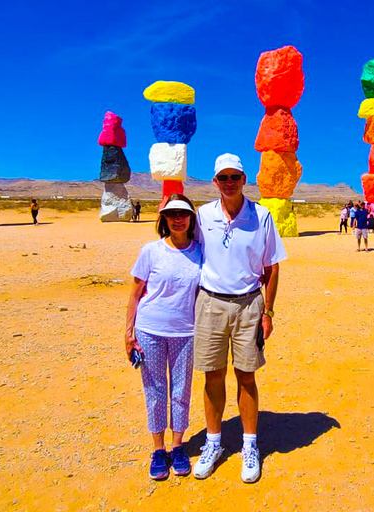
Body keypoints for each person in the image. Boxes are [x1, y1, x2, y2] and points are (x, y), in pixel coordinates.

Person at [193, 154, 286, 483]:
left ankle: (249, 445)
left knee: (246, 377)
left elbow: (273, 267)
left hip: (249, 306)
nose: (229, 182)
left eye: (235, 176)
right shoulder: (202, 216)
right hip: (210, 304)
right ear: (215, 182)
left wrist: (269, 311)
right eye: (223, 177)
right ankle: (213, 442)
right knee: (212, 377)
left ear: (244, 179)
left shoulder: (261, 216)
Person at [126, 193, 201, 480]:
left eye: (183, 214)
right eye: (171, 214)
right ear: (164, 219)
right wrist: (128, 333)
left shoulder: (199, 252)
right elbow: (134, 294)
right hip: (150, 330)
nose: (177, 219)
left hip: (185, 332)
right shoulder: (151, 251)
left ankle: (178, 446)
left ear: (191, 219)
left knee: (181, 391)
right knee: (155, 391)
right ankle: (158, 449)